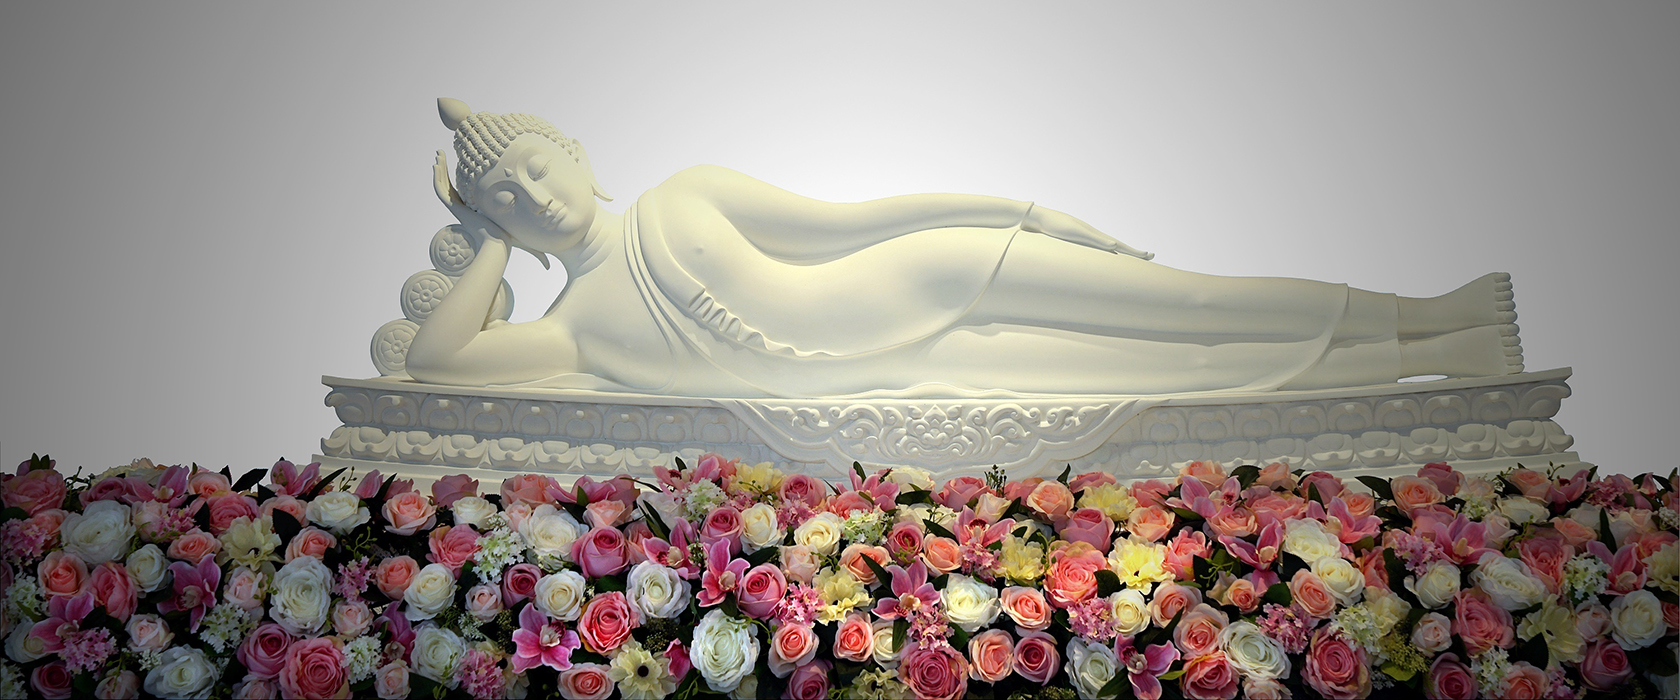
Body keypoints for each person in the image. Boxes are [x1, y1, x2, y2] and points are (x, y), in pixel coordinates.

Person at [405, 99, 1522, 398]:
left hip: (936, 269)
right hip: (922, 373)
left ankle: (1429, 311)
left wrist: (1022, 212)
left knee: (1186, 303)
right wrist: (480, 240)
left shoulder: (681, 196)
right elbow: (441, 360)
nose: (535, 196)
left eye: (536, 166)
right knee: (1174, 370)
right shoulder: (577, 329)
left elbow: (855, 222)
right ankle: (1441, 359)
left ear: (574, 152)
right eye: (507, 199)